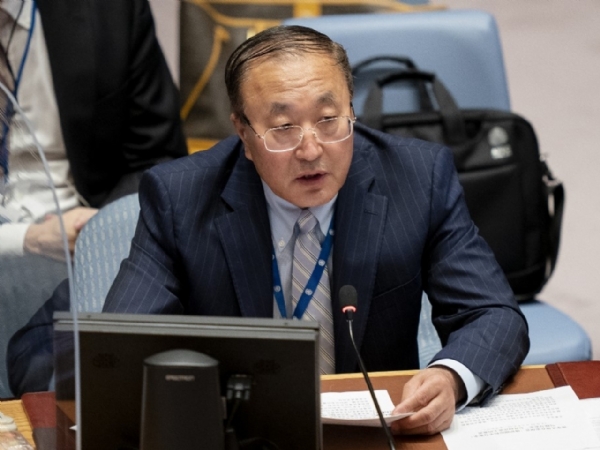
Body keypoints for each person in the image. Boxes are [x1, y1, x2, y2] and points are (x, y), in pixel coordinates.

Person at [103, 25, 529, 434]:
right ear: (243, 133)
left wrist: (450, 377)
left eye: (328, 119)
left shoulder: (418, 178)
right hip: (235, 429)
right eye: (283, 128)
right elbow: (118, 345)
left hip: (372, 432)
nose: (310, 150)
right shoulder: (180, 197)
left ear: (351, 111)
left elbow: (492, 314)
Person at [1, 0, 186, 397]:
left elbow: (157, 157)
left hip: (80, 231)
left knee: (93, 382)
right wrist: (25, 239)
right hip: (18, 242)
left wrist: (101, 229)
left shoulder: (110, 9)